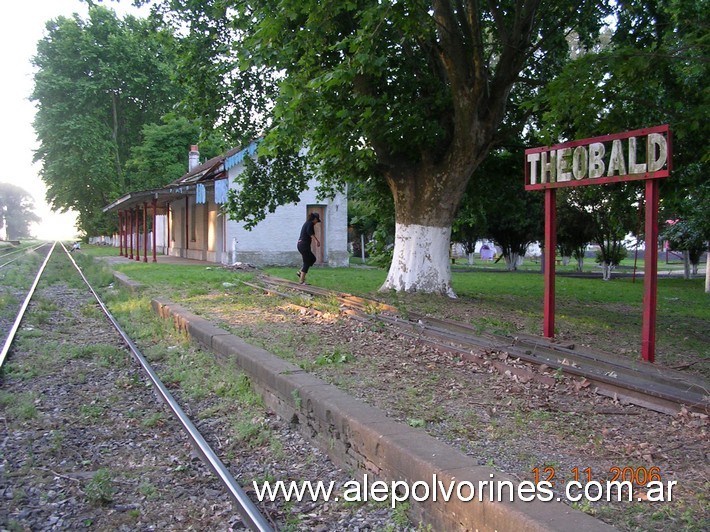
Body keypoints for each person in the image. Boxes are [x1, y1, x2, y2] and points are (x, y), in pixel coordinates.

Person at [297, 212, 321, 284]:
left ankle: (300, 272)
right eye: (317, 221)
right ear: (315, 219)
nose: (317, 223)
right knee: (307, 262)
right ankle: (301, 281)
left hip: (302, 245)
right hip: (303, 245)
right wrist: (317, 241)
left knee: (312, 259)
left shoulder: (308, 223)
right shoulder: (310, 223)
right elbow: (309, 232)